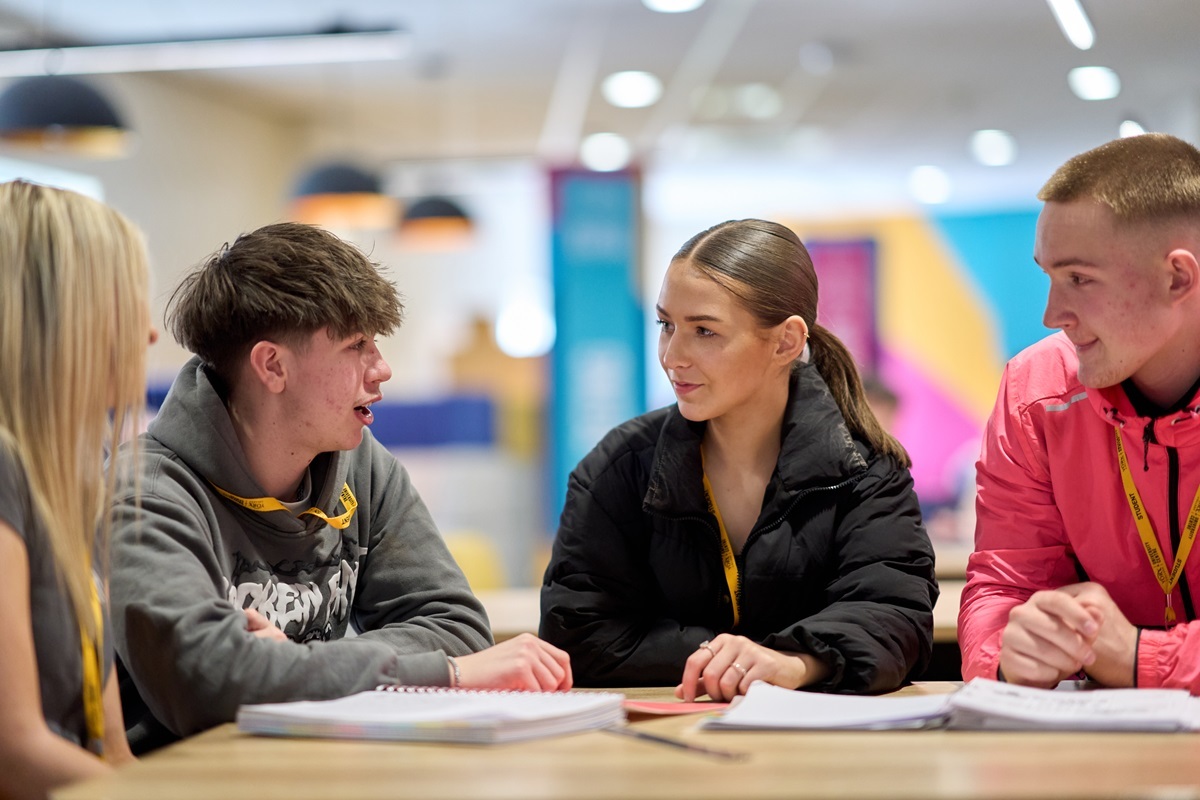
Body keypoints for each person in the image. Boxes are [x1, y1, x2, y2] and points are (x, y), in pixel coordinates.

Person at [110, 222, 570, 751]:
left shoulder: (361, 463)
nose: (383, 369)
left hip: (320, 766)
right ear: (273, 365)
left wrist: (288, 669)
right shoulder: (146, 492)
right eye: (358, 346)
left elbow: (457, 626)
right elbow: (204, 683)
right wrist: (447, 674)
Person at [540, 219, 937, 701]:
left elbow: (896, 616)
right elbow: (577, 635)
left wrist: (794, 663)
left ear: (787, 341)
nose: (672, 355)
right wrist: (728, 658)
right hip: (668, 753)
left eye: (704, 331)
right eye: (666, 325)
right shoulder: (617, 467)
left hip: (821, 753)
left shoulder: (866, 469)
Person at [959, 133, 1200, 692]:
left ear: (1178, 278)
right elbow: (1004, 583)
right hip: (1099, 740)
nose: (1051, 314)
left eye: (1079, 279)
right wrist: (1009, 652)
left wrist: (1142, 658)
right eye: (1048, 276)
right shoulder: (1035, 390)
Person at [0, 180, 153, 796]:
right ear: (65, 316)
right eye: (130, 301)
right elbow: (16, 754)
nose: (150, 333)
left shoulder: (74, 483)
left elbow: (111, 749)